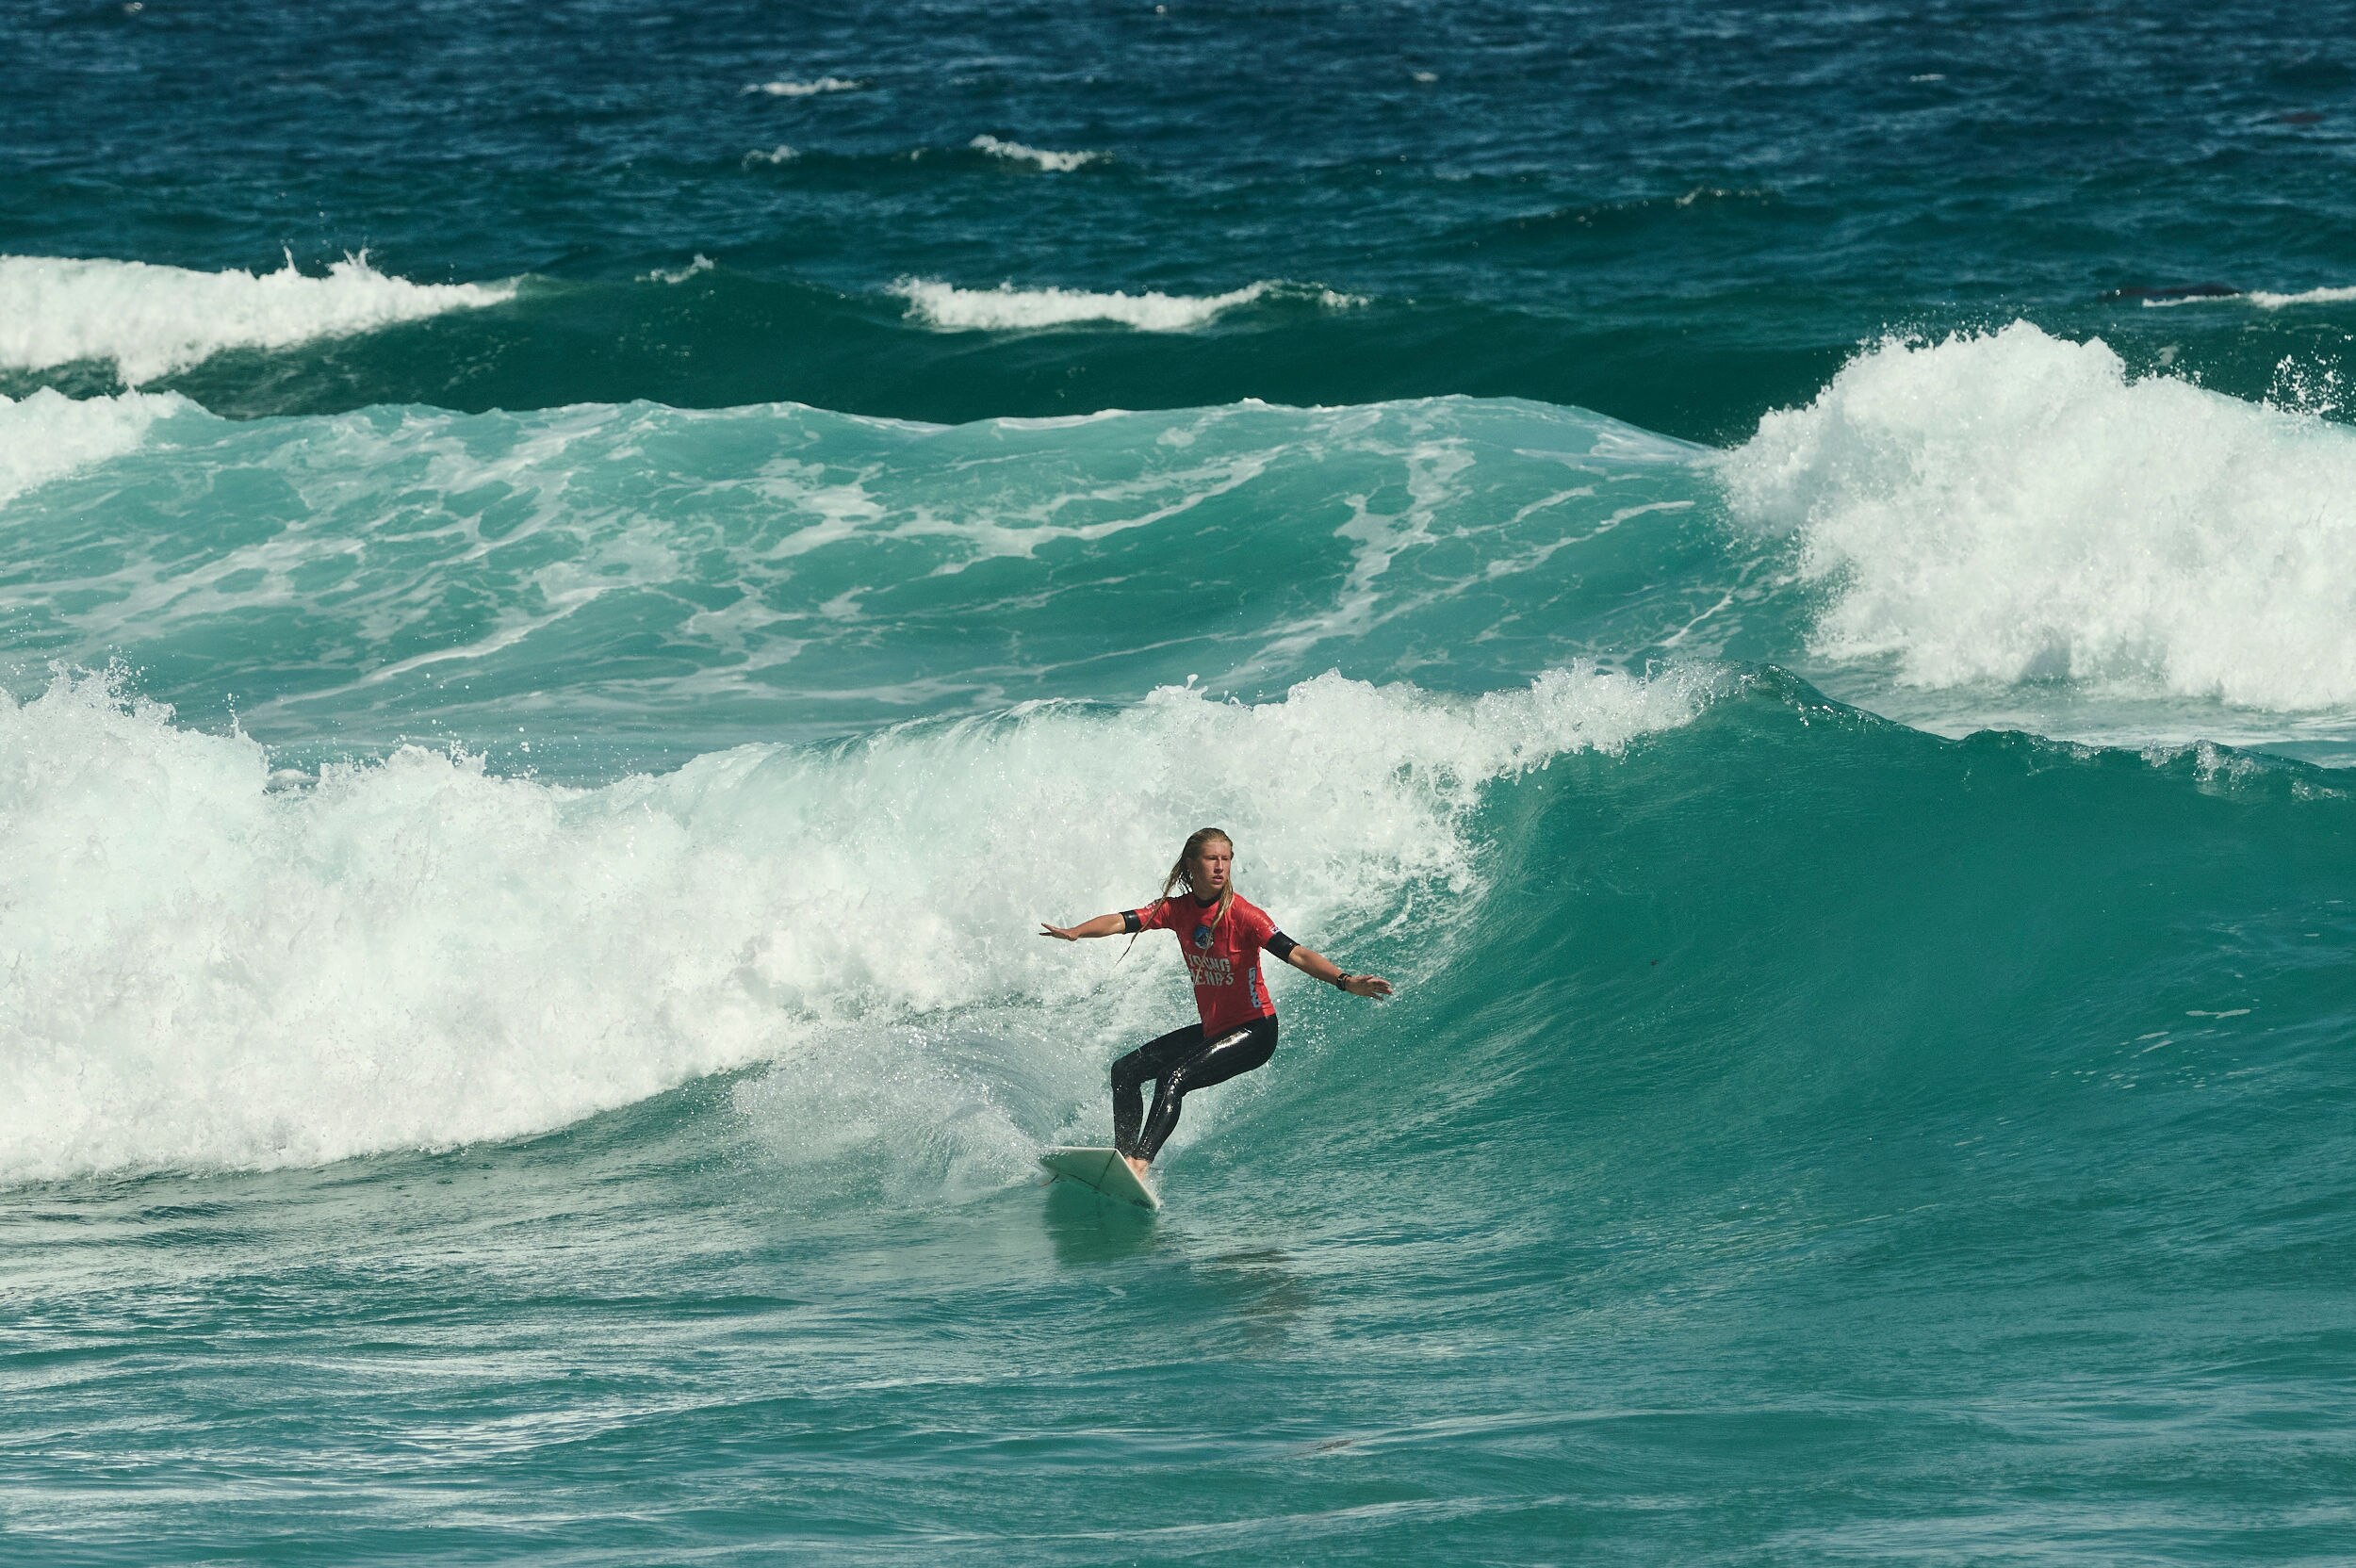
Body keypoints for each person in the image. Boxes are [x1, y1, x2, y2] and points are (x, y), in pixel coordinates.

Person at [1039, 827, 1393, 1180]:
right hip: (1215, 1030)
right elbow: (1122, 921)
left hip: (1254, 1031)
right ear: (1192, 864)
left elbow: (1297, 954)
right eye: (1211, 858)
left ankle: (1139, 1164)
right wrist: (1076, 932)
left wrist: (1345, 981)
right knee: (1125, 1071)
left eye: (1225, 859)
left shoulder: (1245, 915)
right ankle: (1122, 1158)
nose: (1220, 866)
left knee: (1173, 1077)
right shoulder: (1177, 910)